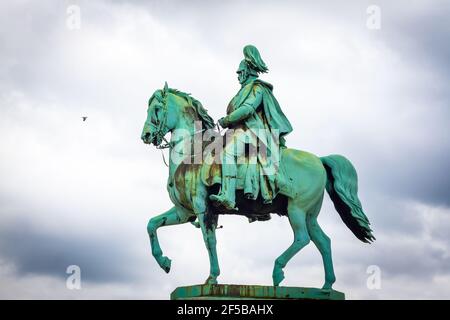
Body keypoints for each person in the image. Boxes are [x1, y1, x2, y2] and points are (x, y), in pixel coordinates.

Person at [209, 45, 293, 210]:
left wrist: (226, 120)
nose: (238, 76)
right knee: (209, 152)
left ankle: (229, 197)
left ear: (247, 71)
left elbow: (247, 109)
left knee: (227, 154)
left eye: (240, 72)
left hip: (253, 132)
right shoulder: (243, 90)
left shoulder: (257, 87)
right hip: (237, 131)